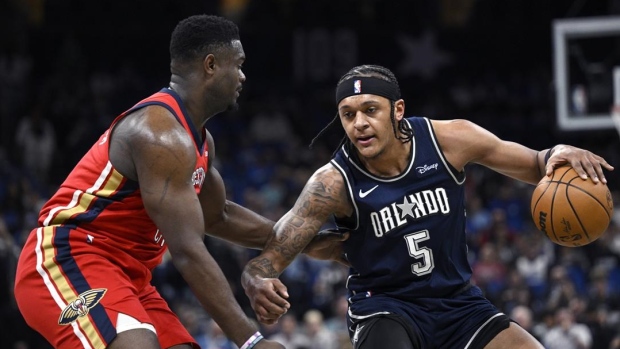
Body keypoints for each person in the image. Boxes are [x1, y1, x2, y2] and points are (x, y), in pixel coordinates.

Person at [13, 14, 340, 349]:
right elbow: (187, 250)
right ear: (211, 65)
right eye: (239, 64)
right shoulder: (160, 134)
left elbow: (218, 217)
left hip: (130, 275)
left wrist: (306, 242)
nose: (243, 76)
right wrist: (251, 340)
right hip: (69, 257)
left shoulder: (199, 141)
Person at [241, 64, 614, 349]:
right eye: (348, 114)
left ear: (397, 109)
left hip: (457, 302)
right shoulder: (332, 182)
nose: (359, 124)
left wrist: (557, 152)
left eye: (370, 109)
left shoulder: (450, 140)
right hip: (386, 307)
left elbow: (536, 164)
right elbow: (269, 257)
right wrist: (257, 278)